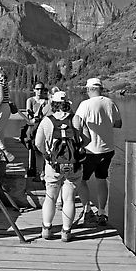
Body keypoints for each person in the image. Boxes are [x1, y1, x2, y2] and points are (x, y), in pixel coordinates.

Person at [35, 91, 84, 242]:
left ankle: (47, 228)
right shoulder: (76, 119)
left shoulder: (46, 121)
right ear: (67, 103)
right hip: (73, 164)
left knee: (50, 196)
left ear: (53, 104)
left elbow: (38, 143)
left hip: (53, 164)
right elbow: (87, 140)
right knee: (69, 198)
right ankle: (66, 232)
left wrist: (47, 155)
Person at [74, 77, 122, 226]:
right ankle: (102, 213)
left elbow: (76, 122)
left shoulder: (85, 104)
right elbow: (118, 124)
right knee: (102, 179)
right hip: (108, 149)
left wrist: (80, 135)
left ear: (88, 89)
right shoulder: (110, 102)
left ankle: (87, 210)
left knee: (81, 180)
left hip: (90, 150)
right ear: (101, 88)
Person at [24, 82, 52, 177]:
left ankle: (43, 170)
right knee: (32, 147)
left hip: (44, 126)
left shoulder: (48, 101)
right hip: (34, 126)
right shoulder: (30, 100)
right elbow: (30, 115)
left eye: (41, 89)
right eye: (37, 89)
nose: (39, 91)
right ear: (34, 90)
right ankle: (34, 169)